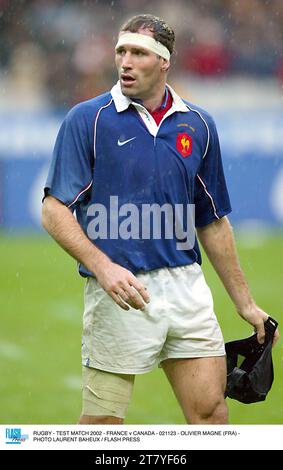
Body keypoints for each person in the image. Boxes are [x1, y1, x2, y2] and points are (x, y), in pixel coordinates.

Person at [42, 14, 279, 425]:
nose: (125, 62)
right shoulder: (88, 119)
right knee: (102, 426)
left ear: (165, 61)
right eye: (121, 51)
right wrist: (104, 268)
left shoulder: (199, 124)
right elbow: (53, 209)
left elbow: (213, 221)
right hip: (120, 291)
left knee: (209, 415)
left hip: (187, 289)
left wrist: (246, 304)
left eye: (139, 53)